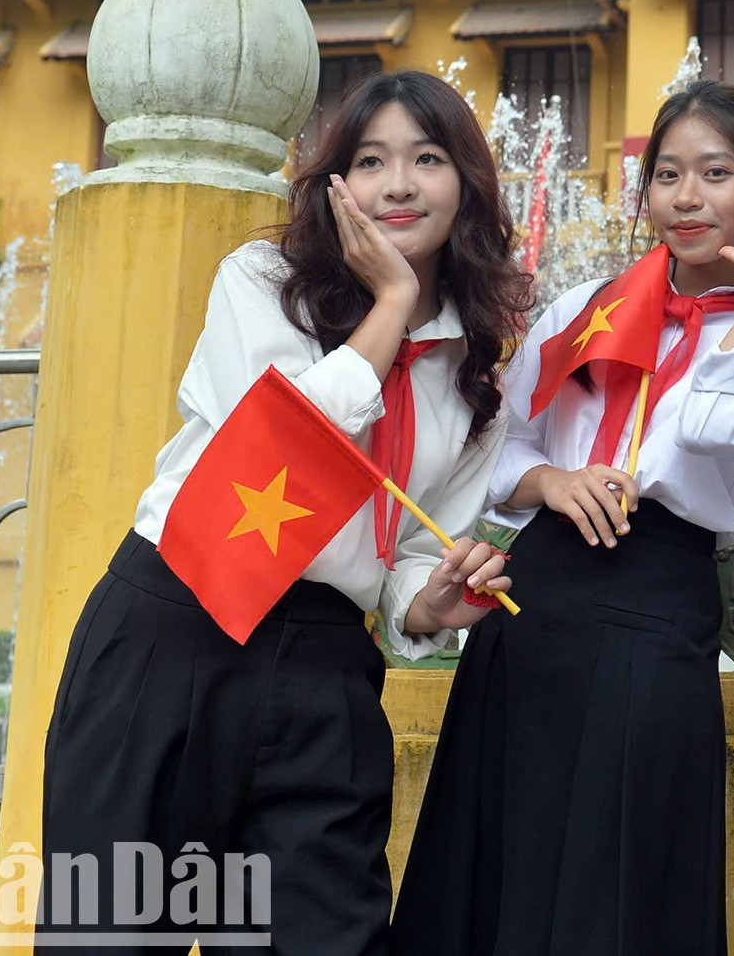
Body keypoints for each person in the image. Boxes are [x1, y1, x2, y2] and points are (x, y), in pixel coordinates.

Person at [40, 70, 529, 953]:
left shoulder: (473, 369)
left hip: (322, 667)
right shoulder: (262, 280)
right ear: (336, 183)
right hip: (177, 628)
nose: (400, 184)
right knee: (107, 935)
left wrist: (430, 601)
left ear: (467, 184)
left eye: (427, 159)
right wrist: (389, 309)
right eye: (372, 160)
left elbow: (411, 544)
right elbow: (267, 454)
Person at [390, 79, 734, 956]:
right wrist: (553, 483)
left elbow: (712, 423)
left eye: (716, 173)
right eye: (668, 174)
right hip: (541, 597)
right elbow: (495, 458)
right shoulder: (580, 313)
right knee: (502, 853)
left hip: (658, 596)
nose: (687, 197)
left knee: (624, 859)